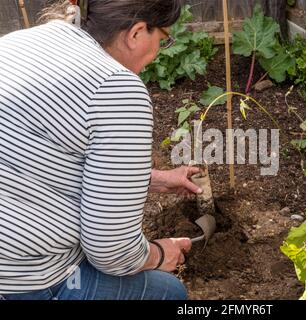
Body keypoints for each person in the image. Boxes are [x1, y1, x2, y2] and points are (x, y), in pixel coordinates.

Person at [0, 0, 202, 300]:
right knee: (169, 292)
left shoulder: (20, 41)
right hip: (24, 278)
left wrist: (152, 179)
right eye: (162, 38)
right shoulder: (115, 87)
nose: (159, 50)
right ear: (135, 33)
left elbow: (40, 156)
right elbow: (110, 251)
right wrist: (160, 254)